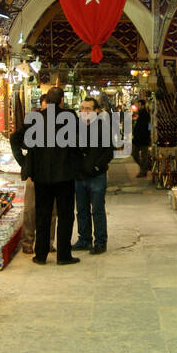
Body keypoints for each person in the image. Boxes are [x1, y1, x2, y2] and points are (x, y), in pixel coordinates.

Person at [11, 86, 80, 265]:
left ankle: (40, 255)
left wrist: (24, 162)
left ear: (46, 101)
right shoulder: (70, 118)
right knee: (65, 215)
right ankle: (64, 255)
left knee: (42, 215)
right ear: (62, 101)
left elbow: (14, 139)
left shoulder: (35, 119)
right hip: (65, 176)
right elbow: (81, 142)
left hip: (41, 176)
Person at [74, 96, 114, 255]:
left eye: (88, 109)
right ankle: (84, 239)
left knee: (97, 209)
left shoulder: (102, 128)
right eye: (82, 108)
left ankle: (100, 241)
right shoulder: (75, 128)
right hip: (79, 177)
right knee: (81, 210)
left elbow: (109, 152)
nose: (85, 111)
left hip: (97, 177)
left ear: (96, 111)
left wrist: (97, 166)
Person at [132, 98, 151, 178]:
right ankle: (144, 168)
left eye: (139, 105)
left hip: (143, 138)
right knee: (134, 154)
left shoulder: (146, 114)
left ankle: (143, 170)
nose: (137, 106)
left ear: (142, 106)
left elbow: (148, 126)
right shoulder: (139, 114)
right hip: (137, 138)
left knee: (144, 156)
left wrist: (148, 134)